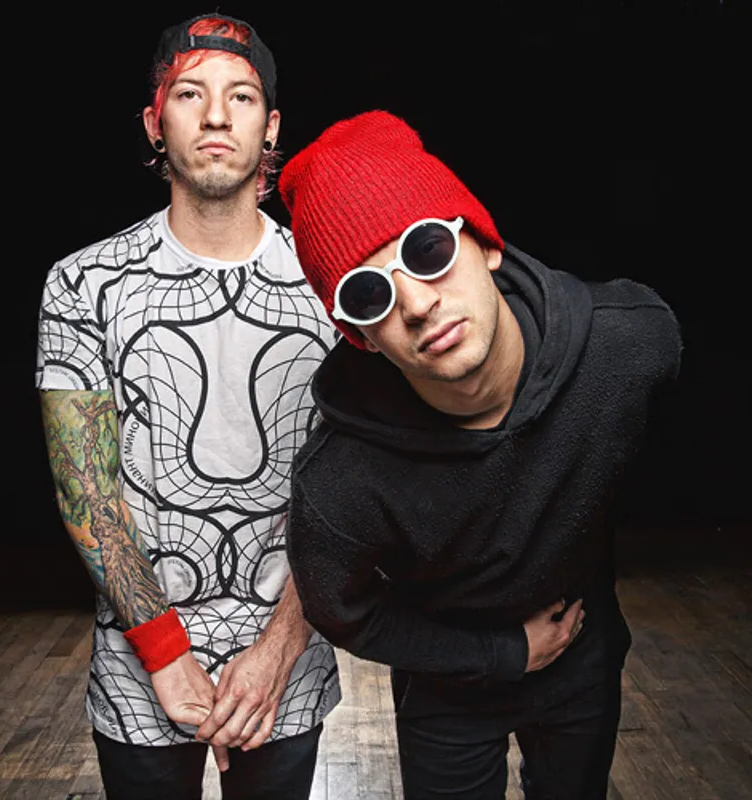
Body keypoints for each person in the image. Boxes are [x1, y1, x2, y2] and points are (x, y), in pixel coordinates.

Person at [278, 111, 682, 799]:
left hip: (581, 652)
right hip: (449, 684)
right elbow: (341, 611)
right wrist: (499, 653)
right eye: (369, 293)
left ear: (485, 243)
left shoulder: (629, 346)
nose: (417, 303)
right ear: (362, 337)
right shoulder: (340, 481)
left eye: (427, 249)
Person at [35, 14, 341, 799]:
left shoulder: (332, 284)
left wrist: (279, 649)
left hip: (286, 667)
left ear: (271, 127)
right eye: (190, 94)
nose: (215, 116)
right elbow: (87, 490)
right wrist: (166, 656)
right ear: (154, 123)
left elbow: (357, 489)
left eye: (241, 97)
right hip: (139, 675)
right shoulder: (83, 284)